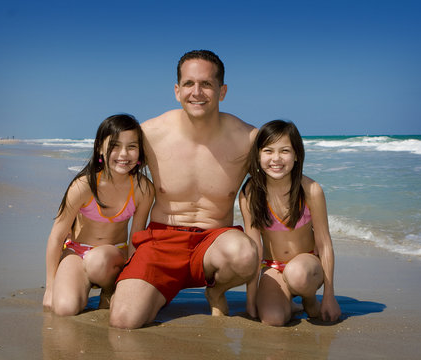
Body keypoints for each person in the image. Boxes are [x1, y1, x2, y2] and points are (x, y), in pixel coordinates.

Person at [109, 50, 259, 329]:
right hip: (161, 241)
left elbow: (277, 190)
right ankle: (158, 290)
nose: (197, 92)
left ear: (222, 91)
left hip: (214, 243)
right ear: (177, 90)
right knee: (123, 321)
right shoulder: (149, 135)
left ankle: (215, 290)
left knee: (245, 255)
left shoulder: (248, 139)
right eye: (189, 84)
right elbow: (113, 180)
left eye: (207, 84)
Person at [43, 114, 154, 316]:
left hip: (112, 256)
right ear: (99, 148)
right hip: (76, 252)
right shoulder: (84, 186)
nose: (123, 154)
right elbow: (56, 237)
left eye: (132, 146)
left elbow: (135, 238)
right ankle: (78, 286)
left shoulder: (142, 189)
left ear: (140, 151)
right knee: (64, 309)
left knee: (98, 260)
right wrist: (50, 287)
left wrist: (127, 284)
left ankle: (110, 288)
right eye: (115, 146)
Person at [239, 120, 341, 325]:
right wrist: (251, 300)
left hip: (308, 267)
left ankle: (309, 298)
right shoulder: (250, 193)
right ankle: (291, 304)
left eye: (285, 151)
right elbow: (255, 246)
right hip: (273, 266)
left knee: (297, 275)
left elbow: (324, 243)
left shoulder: (310, 190)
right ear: (258, 155)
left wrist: (329, 296)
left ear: (296, 155)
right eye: (268, 151)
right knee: (273, 320)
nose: (276, 158)